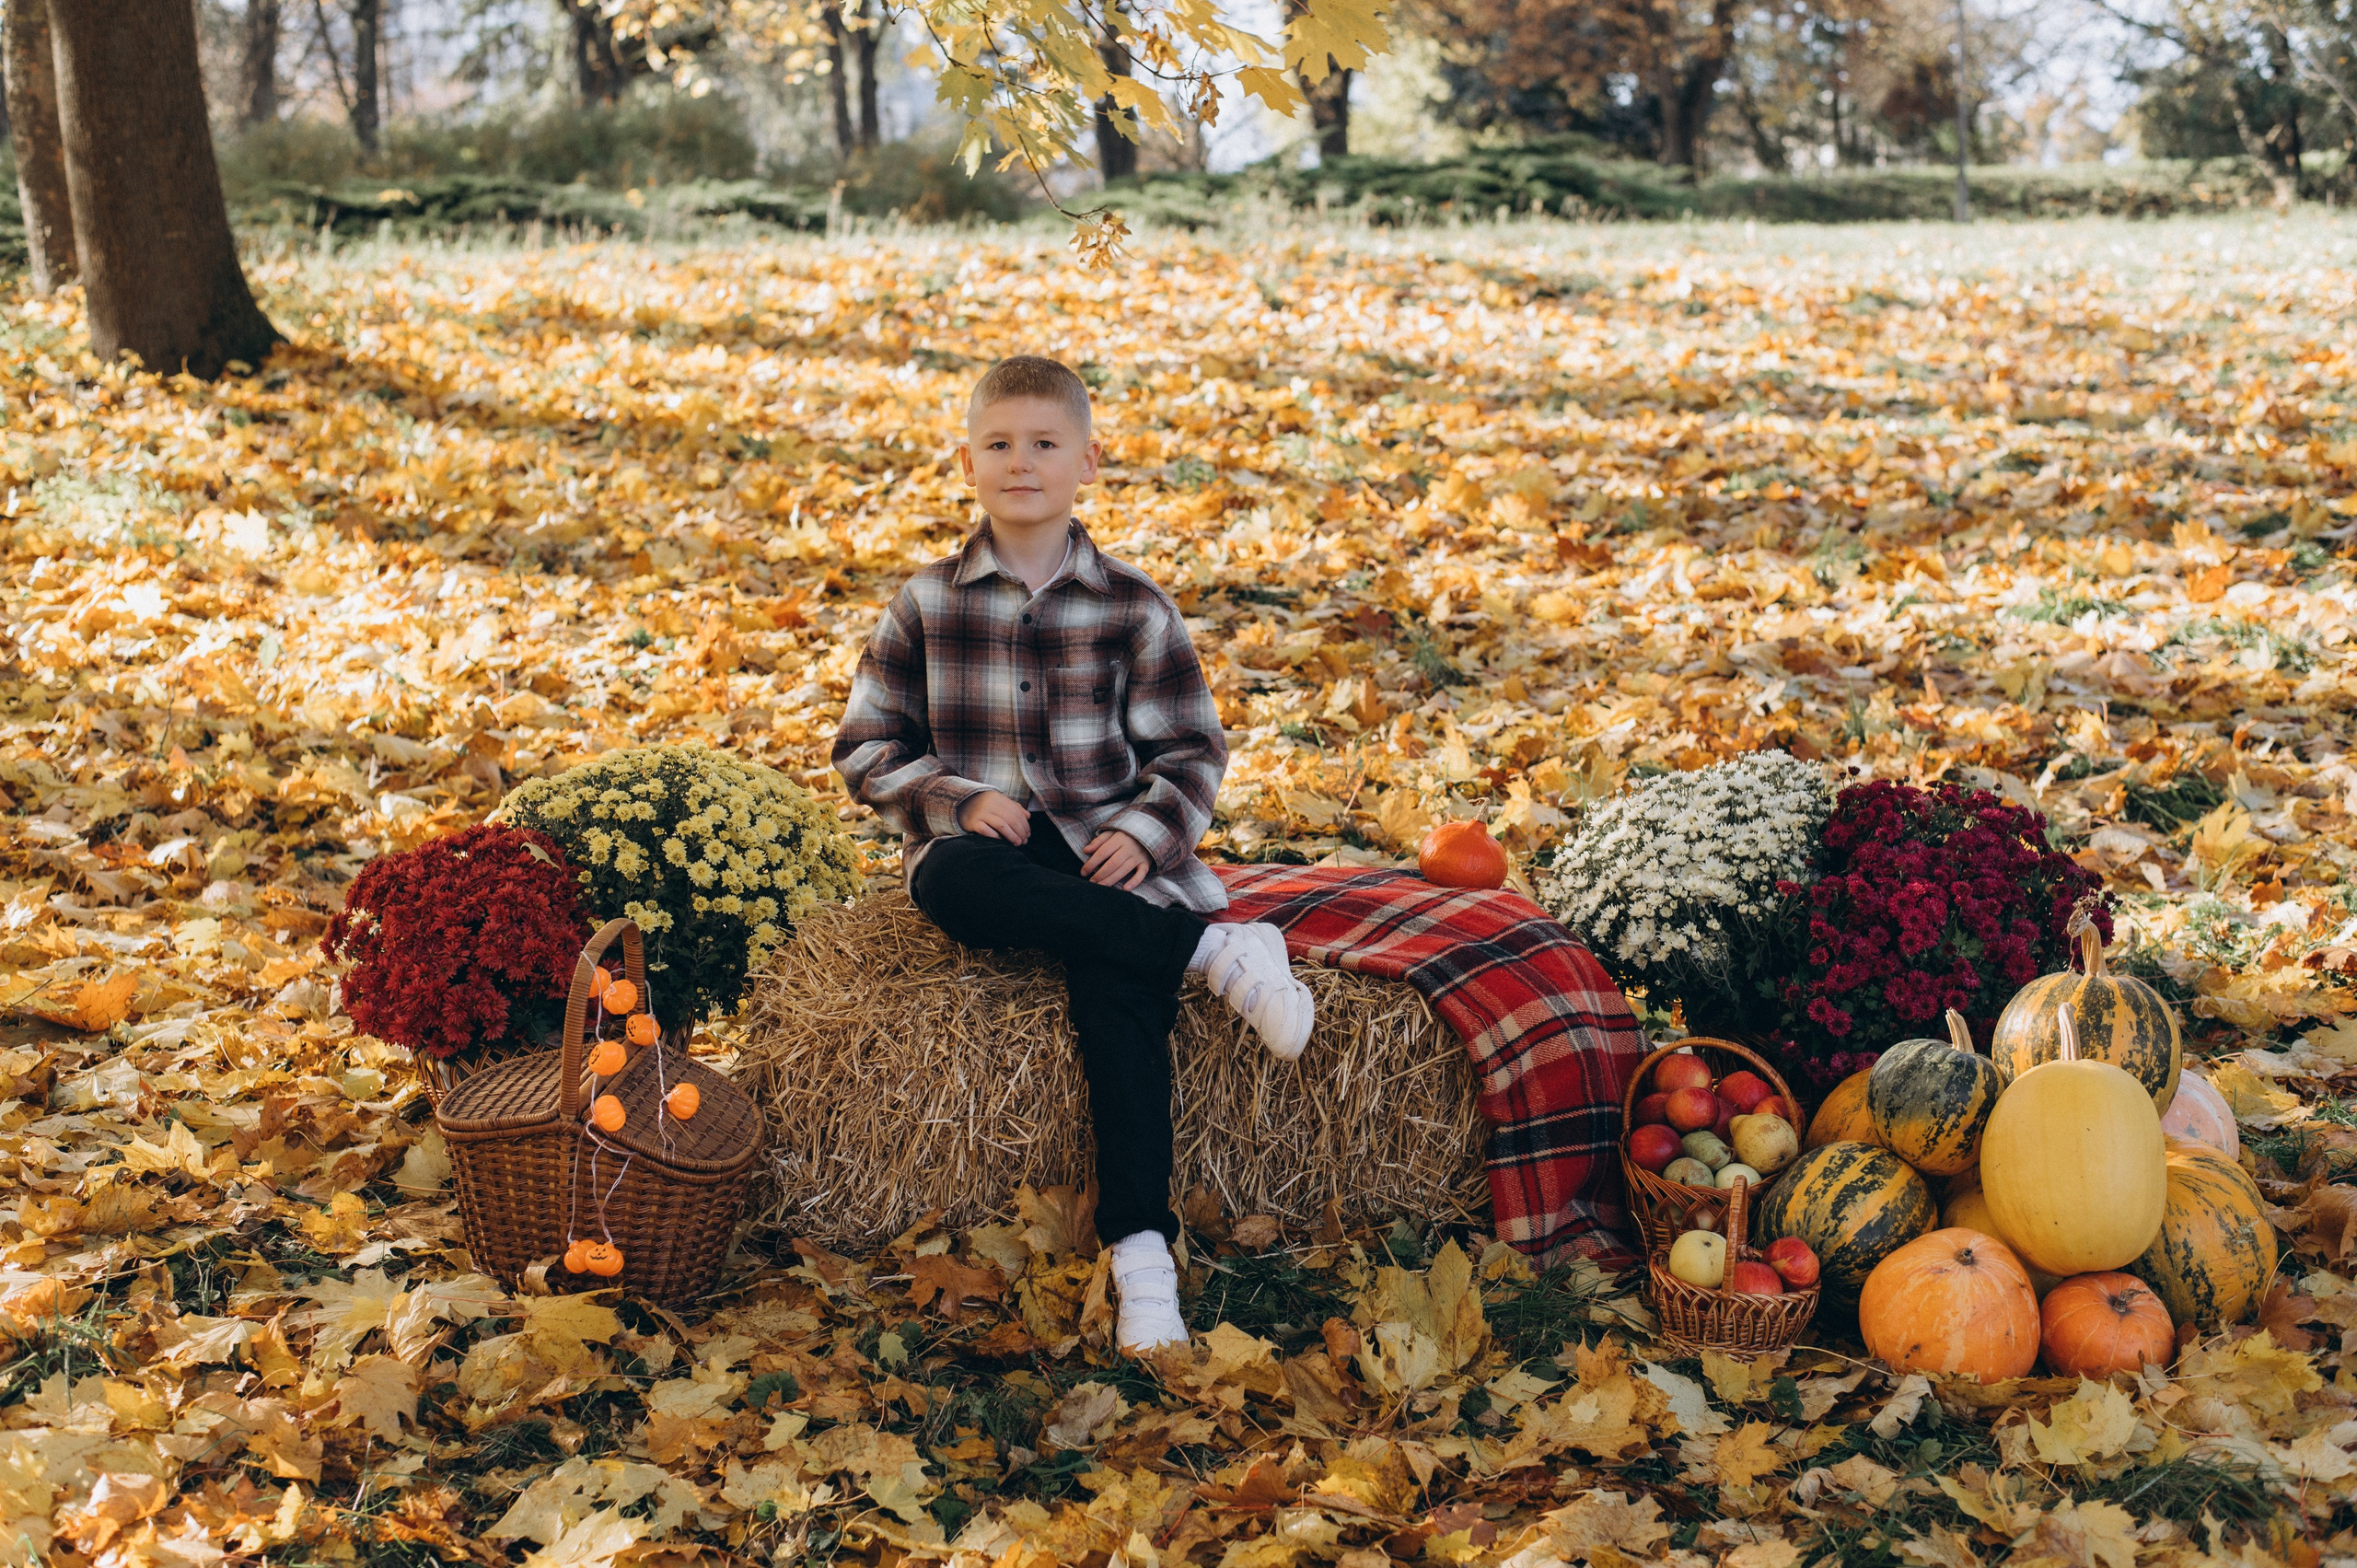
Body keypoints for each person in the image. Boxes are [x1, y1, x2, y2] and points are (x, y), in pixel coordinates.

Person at [832, 355, 1314, 1353]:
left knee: (1115, 992)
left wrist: (1142, 833)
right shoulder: (924, 601)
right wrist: (955, 798)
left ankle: (1141, 1250)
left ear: (1087, 461)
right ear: (967, 461)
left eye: (1045, 443)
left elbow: (1191, 749)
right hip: (987, 857)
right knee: (951, 880)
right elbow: (866, 744)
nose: (1022, 462)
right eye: (1000, 443)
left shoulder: (1134, 606)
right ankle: (1208, 952)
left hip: (1104, 851)